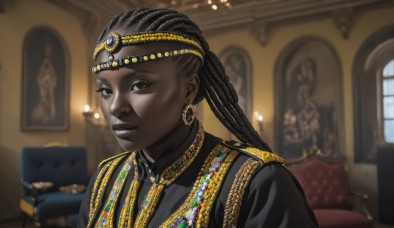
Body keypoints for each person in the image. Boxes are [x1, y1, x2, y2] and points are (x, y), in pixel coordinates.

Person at [78, 8, 318, 228]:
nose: (116, 107)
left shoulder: (258, 183)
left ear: (189, 89)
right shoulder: (104, 179)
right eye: (105, 91)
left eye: (140, 85)